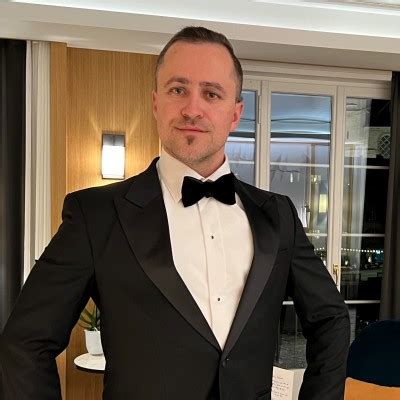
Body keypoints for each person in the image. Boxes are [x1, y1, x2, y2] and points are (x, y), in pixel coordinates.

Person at [0, 26, 350, 400]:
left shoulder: (278, 215)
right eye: (178, 90)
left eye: (211, 93)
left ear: (235, 114)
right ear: (156, 102)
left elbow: (331, 320)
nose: (192, 109)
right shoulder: (95, 215)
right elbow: (25, 342)